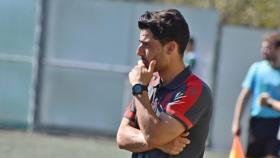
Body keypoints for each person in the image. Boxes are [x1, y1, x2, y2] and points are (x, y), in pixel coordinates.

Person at [116, 9, 213, 158]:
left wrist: (139, 88)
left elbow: (153, 136)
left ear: (171, 48)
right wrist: (162, 143)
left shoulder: (195, 91)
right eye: (140, 44)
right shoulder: (147, 81)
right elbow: (122, 137)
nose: (139, 51)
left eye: (146, 45)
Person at [231, 32, 280, 158]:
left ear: (277, 49)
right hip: (257, 123)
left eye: (268, 48)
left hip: (276, 124)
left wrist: (269, 102)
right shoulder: (256, 68)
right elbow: (244, 96)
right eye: (262, 47)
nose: (264, 50)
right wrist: (236, 121)